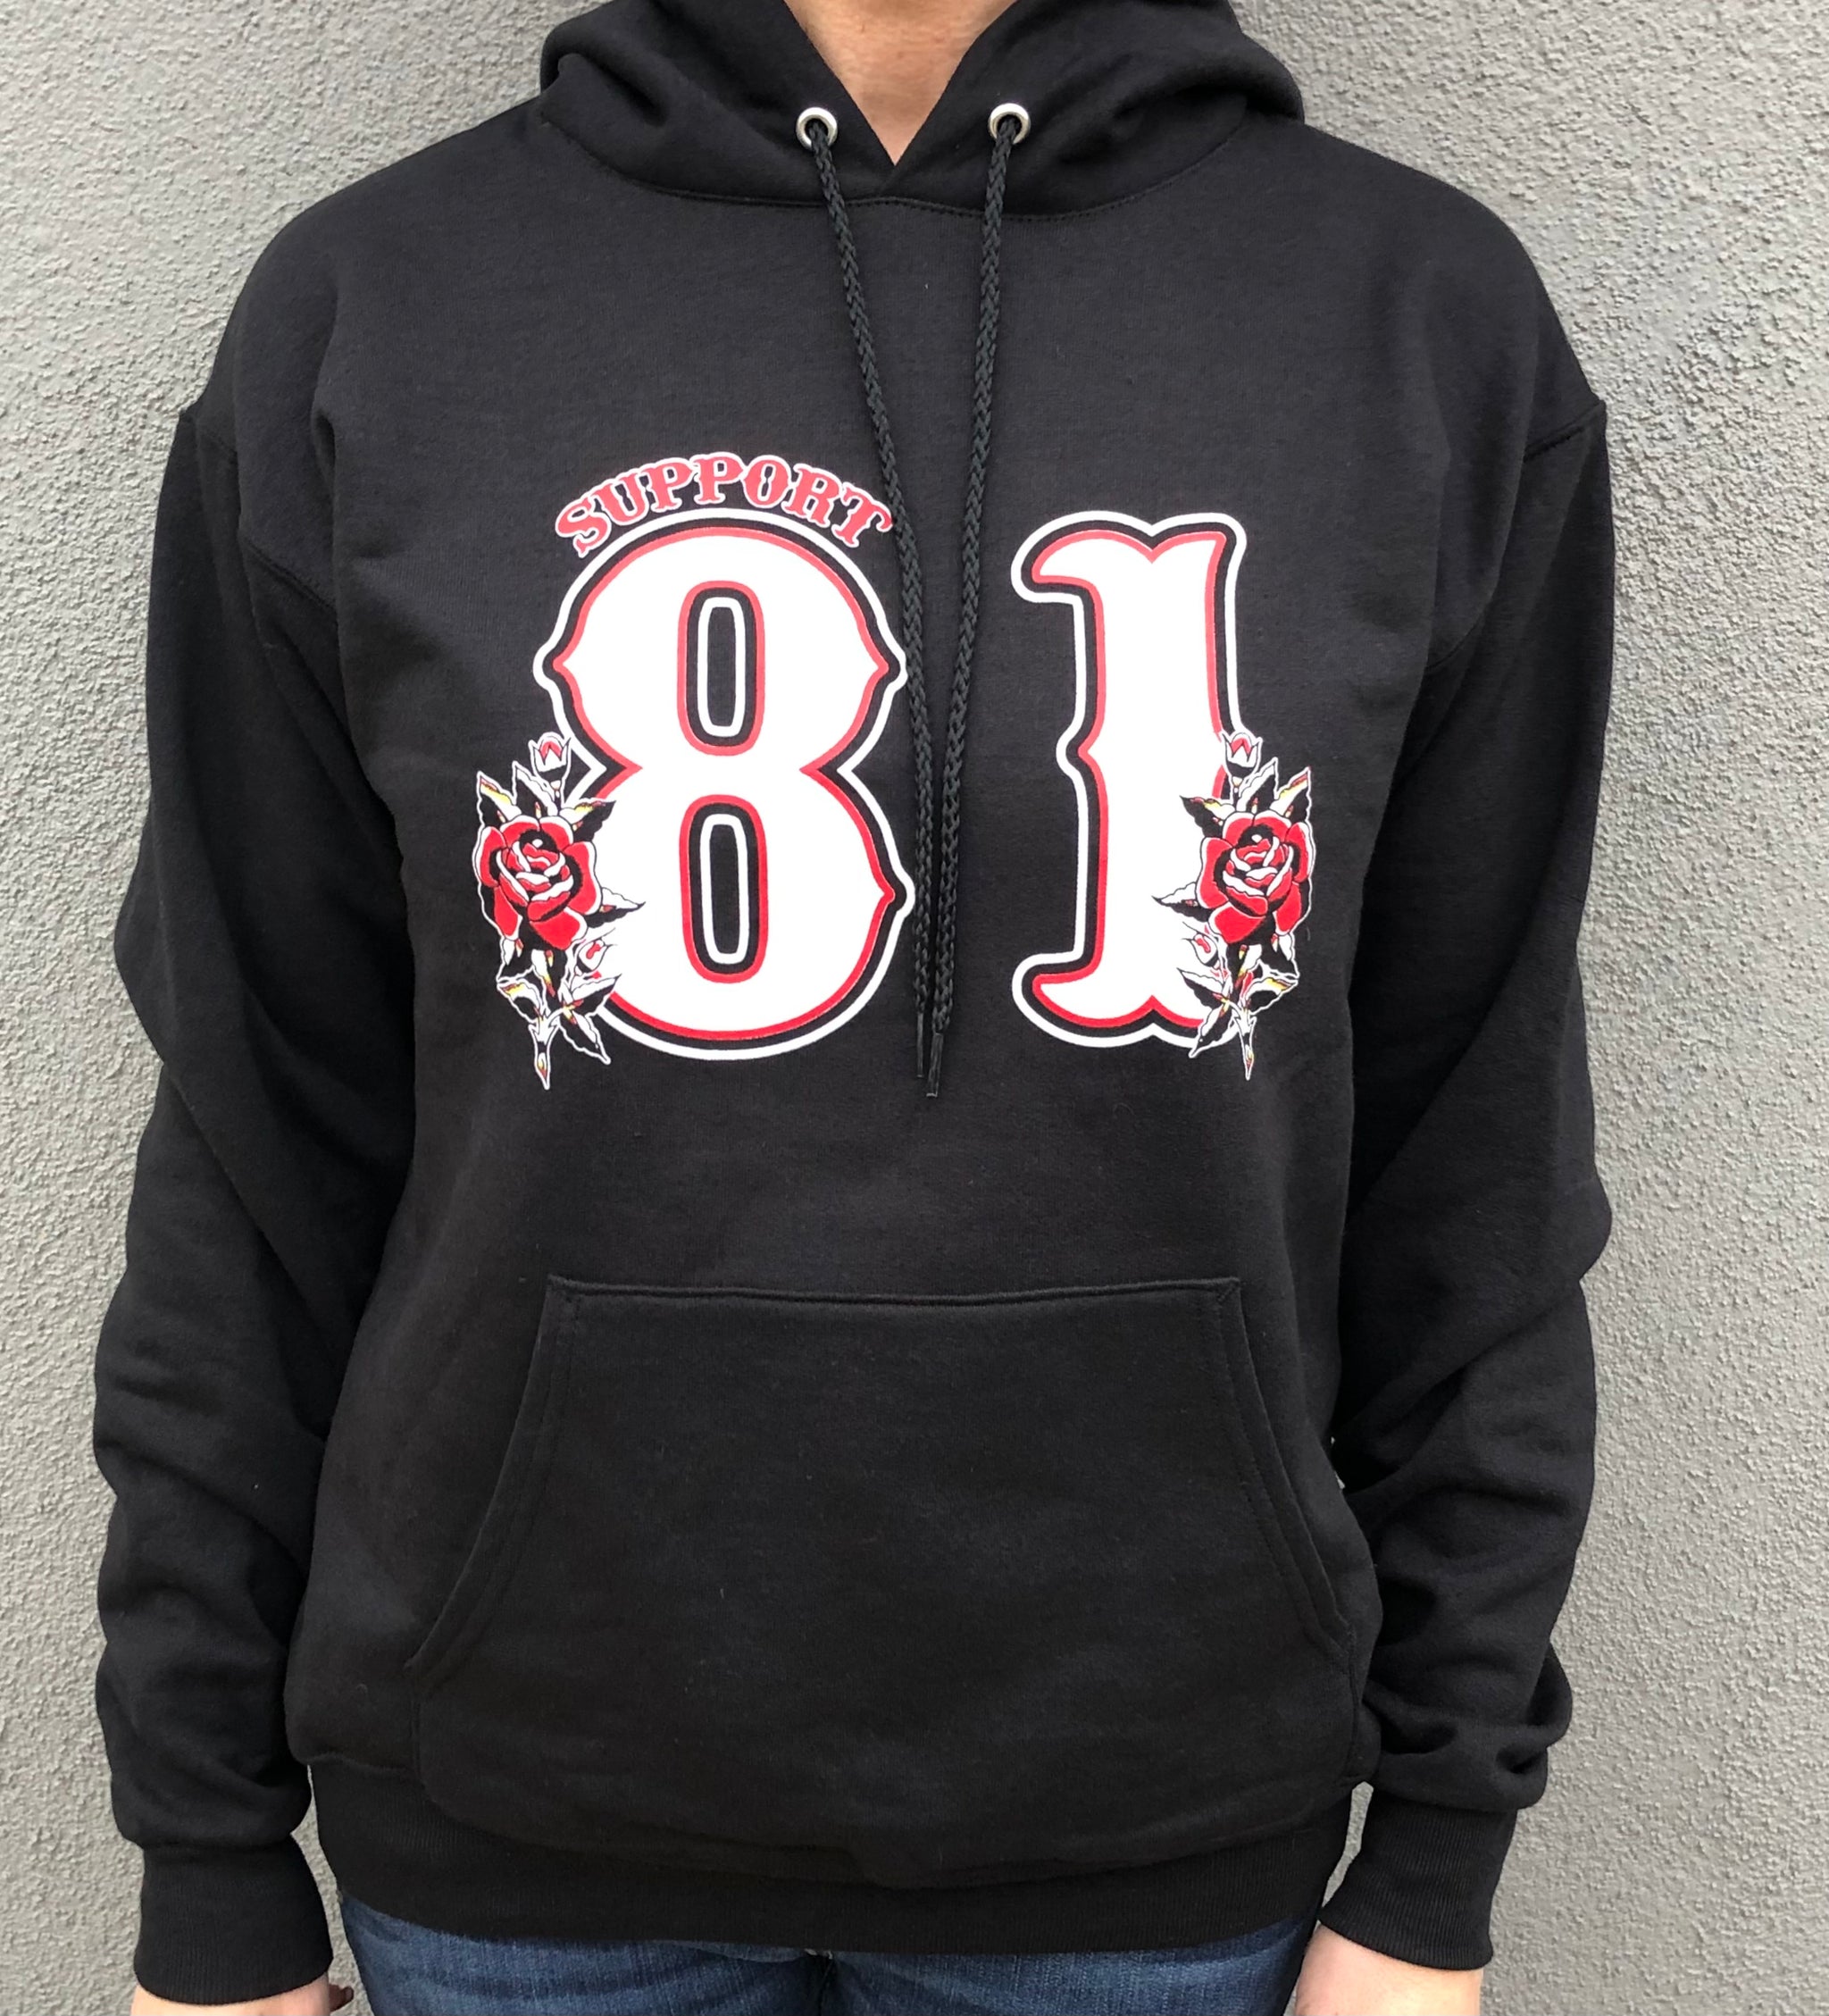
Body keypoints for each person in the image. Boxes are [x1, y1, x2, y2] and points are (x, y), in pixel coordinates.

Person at [95, 0, 1614, 2010]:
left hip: (1146, 1834)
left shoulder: (1413, 320)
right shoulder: (376, 308)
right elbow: (257, 1130)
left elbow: (1475, 1147)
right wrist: (205, 1846)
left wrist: (1436, 1848)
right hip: (516, 1828)